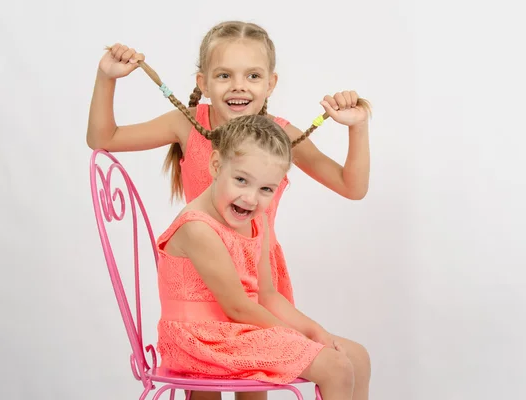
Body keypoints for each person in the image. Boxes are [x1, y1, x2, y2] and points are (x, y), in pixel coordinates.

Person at [87, 20, 371, 400]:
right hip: (202, 280)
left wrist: (357, 128)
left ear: (270, 84)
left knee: (267, 385)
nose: (239, 85)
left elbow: (352, 187)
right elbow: (103, 138)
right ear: (203, 82)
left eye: (252, 75)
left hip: (257, 273)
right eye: (224, 75)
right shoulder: (187, 125)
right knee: (211, 389)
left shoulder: (280, 137)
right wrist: (107, 78)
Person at [156, 114, 368, 400]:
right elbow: (239, 308)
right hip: (202, 339)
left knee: (357, 357)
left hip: (237, 332)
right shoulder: (198, 228)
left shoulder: (258, 222)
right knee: (335, 368)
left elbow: (267, 295)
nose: (251, 198)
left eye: (266, 189)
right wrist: (298, 338)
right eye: (241, 180)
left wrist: (315, 331)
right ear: (216, 165)